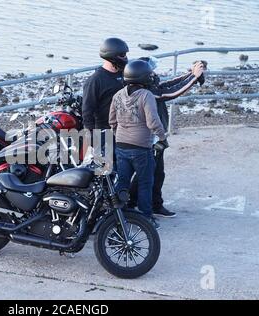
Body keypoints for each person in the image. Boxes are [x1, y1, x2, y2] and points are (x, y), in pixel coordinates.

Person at [127, 59, 205, 218]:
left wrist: (190, 74)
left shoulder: (150, 86)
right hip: (149, 138)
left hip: (156, 138)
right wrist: (194, 78)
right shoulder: (144, 92)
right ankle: (131, 204)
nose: (154, 74)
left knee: (157, 173)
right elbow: (169, 93)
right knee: (146, 174)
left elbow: (167, 85)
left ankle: (154, 204)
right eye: (151, 72)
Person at [109, 59, 167, 229]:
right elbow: (153, 121)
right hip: (141, 147)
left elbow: (111, 120)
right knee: (145, 183)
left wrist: (118, 133)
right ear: (144, 77)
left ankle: (119, 217)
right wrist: (162, 137)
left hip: (121, 145)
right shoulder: (146, 95)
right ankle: (146, 218)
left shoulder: (118, 95)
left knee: (122, 183)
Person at [82, 37, 129, 130]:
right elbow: (87, 112)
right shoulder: (95, 80)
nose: (126, 58)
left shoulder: (125, 74)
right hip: (105, 130)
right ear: (112, 56)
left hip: (125, 127)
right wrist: (92, 136)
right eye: (123, 55)